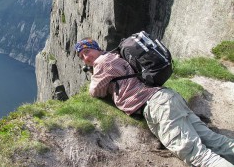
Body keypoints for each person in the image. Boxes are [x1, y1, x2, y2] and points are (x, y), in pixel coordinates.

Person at [75, 38, 234, 167]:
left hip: (157, 106)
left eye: (87, 51)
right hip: (166, 97)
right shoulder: (116, 56)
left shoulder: (102, 62)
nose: (86, 58)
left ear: (96, 47)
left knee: (196, 155)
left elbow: (95, 91)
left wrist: (96, 76)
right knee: (214, 140)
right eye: (82, 57)